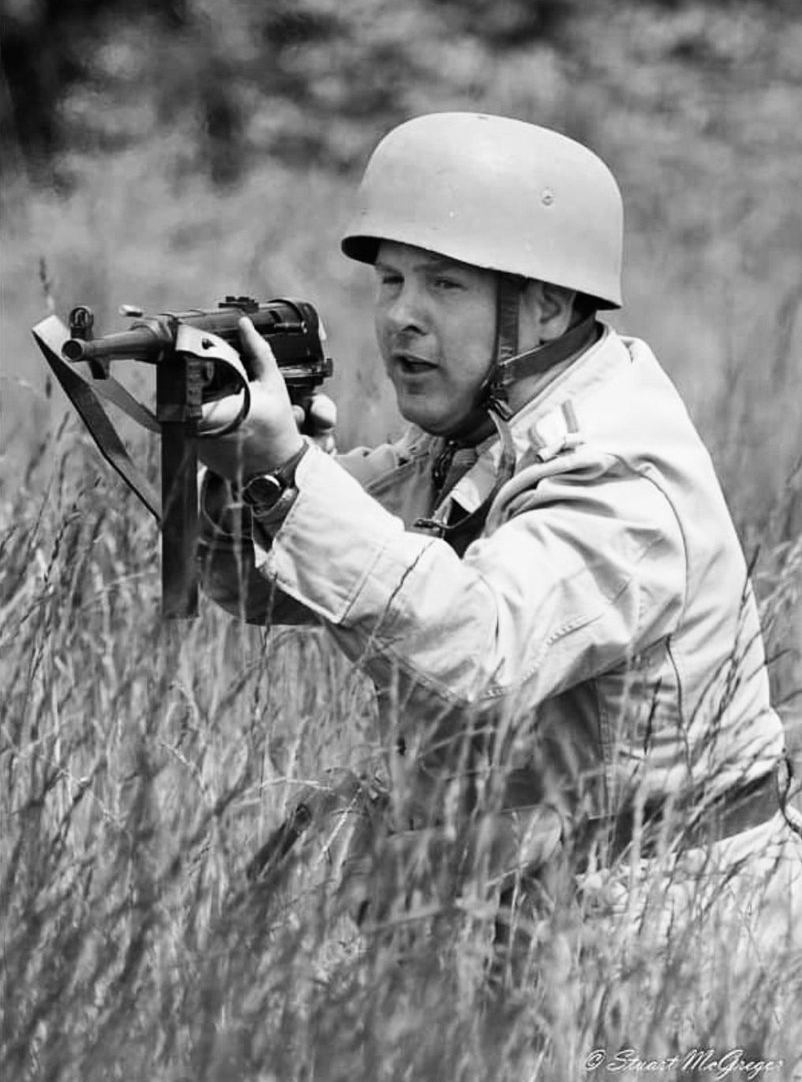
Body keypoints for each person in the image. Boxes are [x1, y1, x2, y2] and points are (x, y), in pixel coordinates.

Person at [197, 113, 801, 980]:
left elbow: (482, 649)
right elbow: (256, 588)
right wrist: (237, 467)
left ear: (547, 304)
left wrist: (289, 470)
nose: (402, 316)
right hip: (536, 915)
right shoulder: (483, 434)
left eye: (446, 286)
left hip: (671, 940)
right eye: (392, 280)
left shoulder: (618, 478)